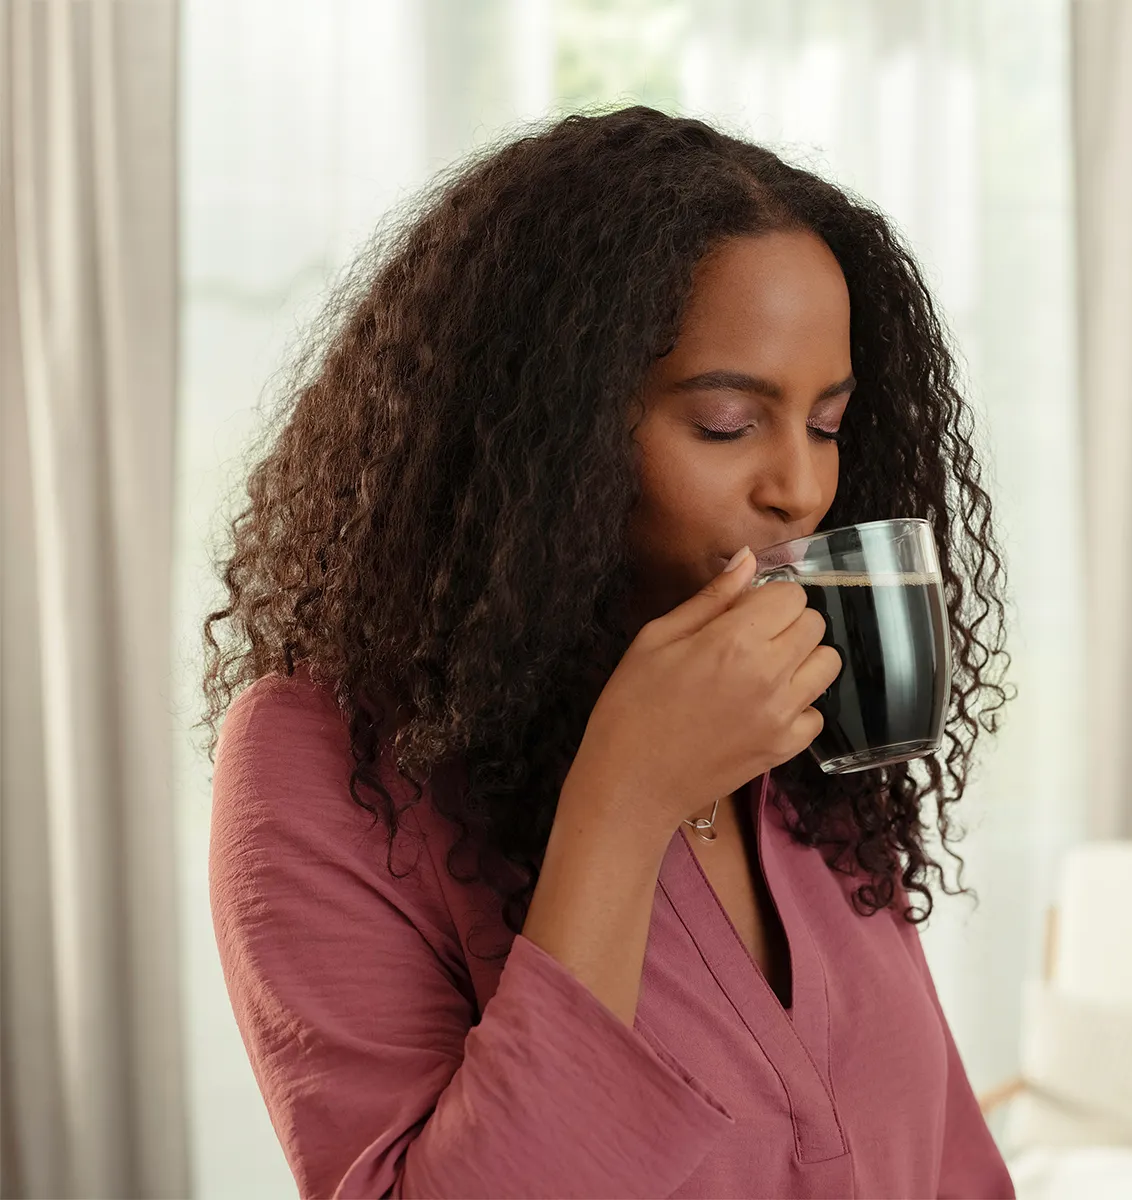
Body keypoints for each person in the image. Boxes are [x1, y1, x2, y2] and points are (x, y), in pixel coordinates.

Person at [202, 105, 1014, 1199]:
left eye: (827, 423)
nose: (802, 488)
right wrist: (624, 801)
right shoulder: (328, 760)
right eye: (727, 421)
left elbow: (948, 1164)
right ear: (545, 431)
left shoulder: (798, 728)